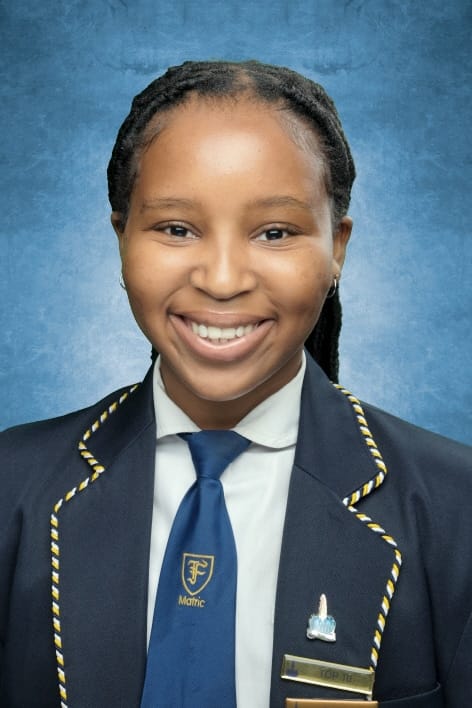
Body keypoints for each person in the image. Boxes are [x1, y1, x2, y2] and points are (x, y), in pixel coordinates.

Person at [0, 60, 470, 708]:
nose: (222, 280)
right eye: (176, 228)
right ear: (121, 239)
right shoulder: (12, 488)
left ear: (337, 247)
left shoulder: (455, 509)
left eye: (275, 232)